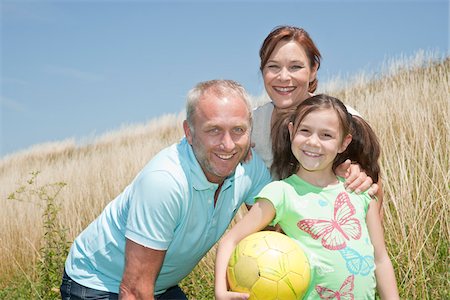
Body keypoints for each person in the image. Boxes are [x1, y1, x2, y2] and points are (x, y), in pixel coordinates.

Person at [60, 80, 272, 299]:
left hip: (158, 286)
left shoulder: (249, 166)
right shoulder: (164, 182)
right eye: (214, 130)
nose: (228, 145)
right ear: (189, 132)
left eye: (238, 130)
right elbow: (133, 290)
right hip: (98, 284)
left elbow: (273, 226)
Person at [214, 94, 399, 299]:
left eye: (326, 135)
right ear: (292, 132)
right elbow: (229, 242)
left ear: (344, 143)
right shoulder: (281, 193)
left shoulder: (359, 191)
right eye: (305, 131)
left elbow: (380, 259)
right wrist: (221, 291)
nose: (313, 142)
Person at [251, 25, 381, 201]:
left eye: (295, 67)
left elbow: (374, 191)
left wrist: (358, 176)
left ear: (313, 70)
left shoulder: (342, 119)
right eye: (273, 66)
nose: (283, 77)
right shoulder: (249, 124)